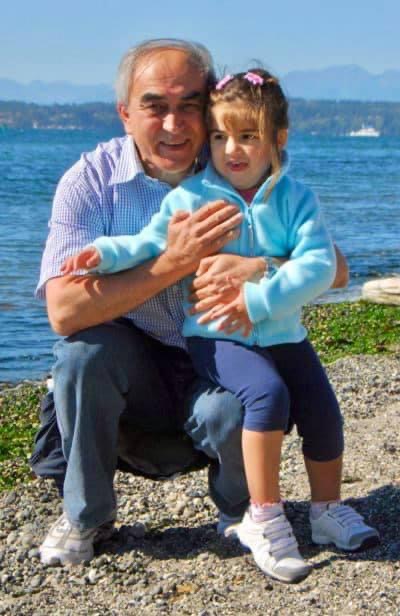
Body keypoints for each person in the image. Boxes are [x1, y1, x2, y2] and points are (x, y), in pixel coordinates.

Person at [35, 38, 349, 569]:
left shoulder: (237, 160)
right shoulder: (90, 181)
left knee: (243, 401)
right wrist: (176, 261)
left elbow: (334, 269)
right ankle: (87, 516)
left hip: (215, 356)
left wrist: (260, 267)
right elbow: (63, 312)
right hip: (132, 371)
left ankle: (241, 509)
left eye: (189, 106)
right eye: (155, 106)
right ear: (125, 114)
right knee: (81, 355)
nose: (174, 124)